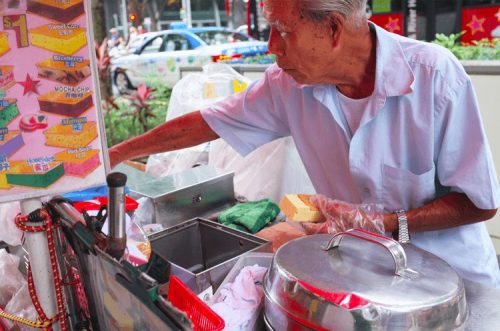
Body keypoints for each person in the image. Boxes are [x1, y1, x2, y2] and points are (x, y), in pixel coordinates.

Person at [109, 0, 500, 287]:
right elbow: (209, 122)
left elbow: (479, 202)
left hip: (453, 284)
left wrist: (388, 226)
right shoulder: (288, 85)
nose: (271, 47)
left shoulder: (434, 76)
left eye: (282, 30)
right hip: (365, 278)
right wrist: (118, 153)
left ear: (332, 29)